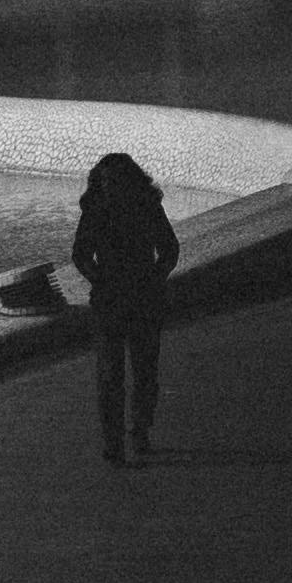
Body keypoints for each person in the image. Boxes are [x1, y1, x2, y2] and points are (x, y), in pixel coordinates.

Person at [69, 151, 183, 468]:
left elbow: (80, 254)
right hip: (142, 299)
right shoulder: (146, 206)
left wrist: (99, 279)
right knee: (139, 371)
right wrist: (155, 277)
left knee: (113, 374)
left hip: (113, 301)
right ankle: (134, 434)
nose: (109, 186)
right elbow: (170, 249)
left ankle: (118, 440)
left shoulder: (98, 210)